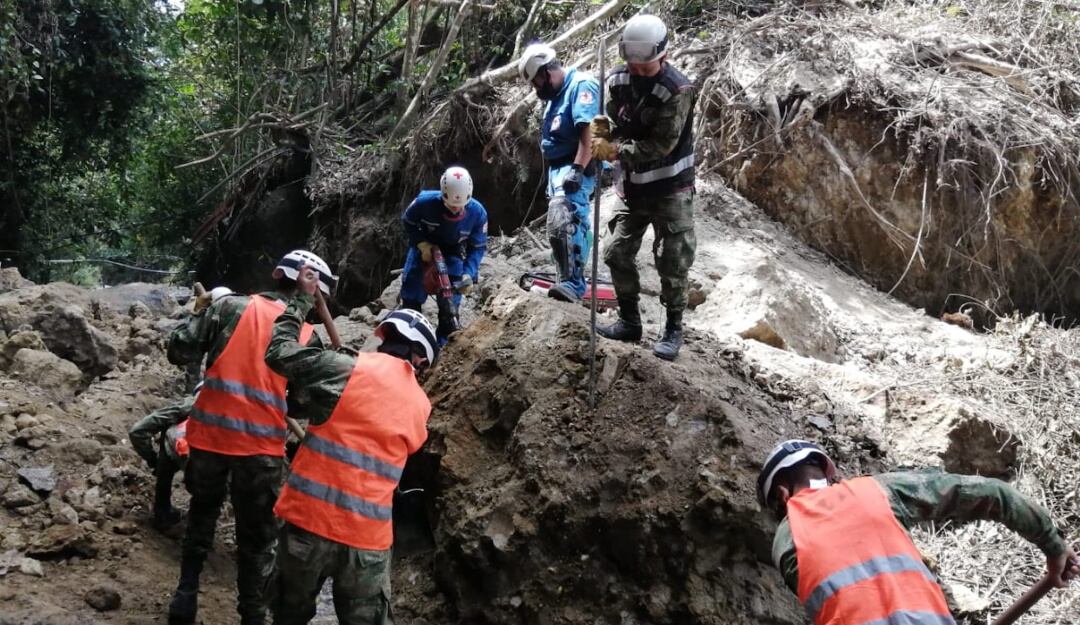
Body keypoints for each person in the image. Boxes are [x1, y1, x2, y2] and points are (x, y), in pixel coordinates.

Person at [164, 252, 332, 625]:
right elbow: (303, 403)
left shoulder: (229, 308)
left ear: (277, 276)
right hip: (260, 451)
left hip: (208, 437)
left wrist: (198, 314)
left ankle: (186, 595)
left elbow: (179, 349)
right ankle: (252, 616)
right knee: (257, 541)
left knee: (202, 515)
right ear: (315, 292)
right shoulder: (307, 336)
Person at [265, 262, 435, 625]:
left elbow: (278, 353)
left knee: (285, 616)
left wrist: (300, 301)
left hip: (307, 525)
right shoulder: (422, 406)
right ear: (420, 360)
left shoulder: (346, 368)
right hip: (367, 543)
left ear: (383, 334)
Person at [758, 439, 1080, 625]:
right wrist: (1053, 548)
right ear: (827, 476)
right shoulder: (877, 491)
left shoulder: (785, 543)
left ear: (783, 496)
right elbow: (996, 494)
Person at [591, 14, 696, 361]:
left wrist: (619, 150)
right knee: (615, 251)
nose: (637, 72)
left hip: (670, 189)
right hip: (632, 187)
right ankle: (629, 320)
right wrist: (601, 137)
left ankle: (673, 329)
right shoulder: (620, 78)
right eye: (633, 65)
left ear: (662, 56)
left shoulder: (676, 89)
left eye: (645, 67)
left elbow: (661, 144)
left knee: (672, 260)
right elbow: (608, 120)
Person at [517, 43, 600, 302]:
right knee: (558, 225)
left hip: (578, 164)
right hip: (559, 169)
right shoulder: (556, 97)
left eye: (537, 83)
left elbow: (592, 131)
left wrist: (578, 169)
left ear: (546, 72)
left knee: (565, 218)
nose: (536, 89)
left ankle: (574, 284)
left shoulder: (582, 86)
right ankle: (567, 277)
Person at [400, 165, 488, 344]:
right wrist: (421, 244)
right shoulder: (424, 203)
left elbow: (477, 247)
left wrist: (468, 274)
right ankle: (409, 339)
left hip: (452, 251)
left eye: (460, 207)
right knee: (412, 292)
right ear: (443, 195)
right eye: (451, 206)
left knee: (450, 302)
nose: (455, 210)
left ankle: (443, 346)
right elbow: (408, 221)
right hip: (424, 249)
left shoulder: (477, 213)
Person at [128, 387, 196, 531]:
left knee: (169, 437)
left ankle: (162, 515)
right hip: (219, 463)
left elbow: (138, 431)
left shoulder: (190, 404)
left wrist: (153, 460)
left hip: (178, 453)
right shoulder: (241, 410)